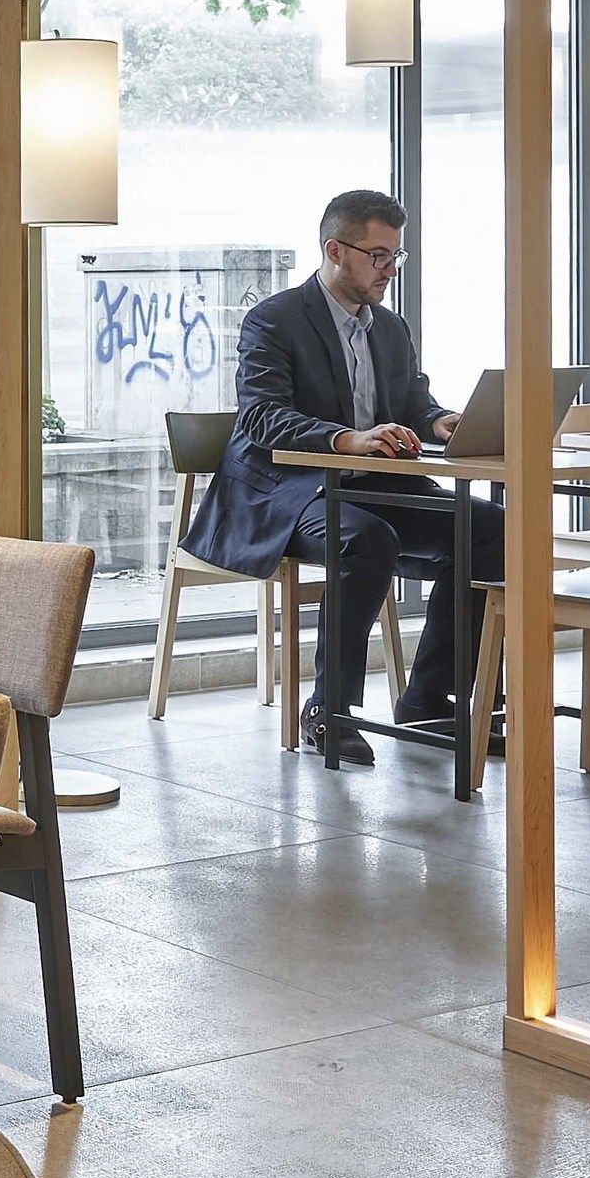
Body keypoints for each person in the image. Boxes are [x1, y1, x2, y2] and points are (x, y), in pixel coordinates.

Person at [181, 188, 496, 767]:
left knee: (491, 529)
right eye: (378, 257)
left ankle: (431, 698)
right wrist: (343, 439)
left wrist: (439, 421)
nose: (389, 271)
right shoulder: (273, 320)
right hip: (289, 492)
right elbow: (261, 414)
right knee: (367, 539)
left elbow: (410, 401)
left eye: (395, 258)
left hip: (374, 487)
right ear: (335, 250)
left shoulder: (390, 329)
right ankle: (331, 712)